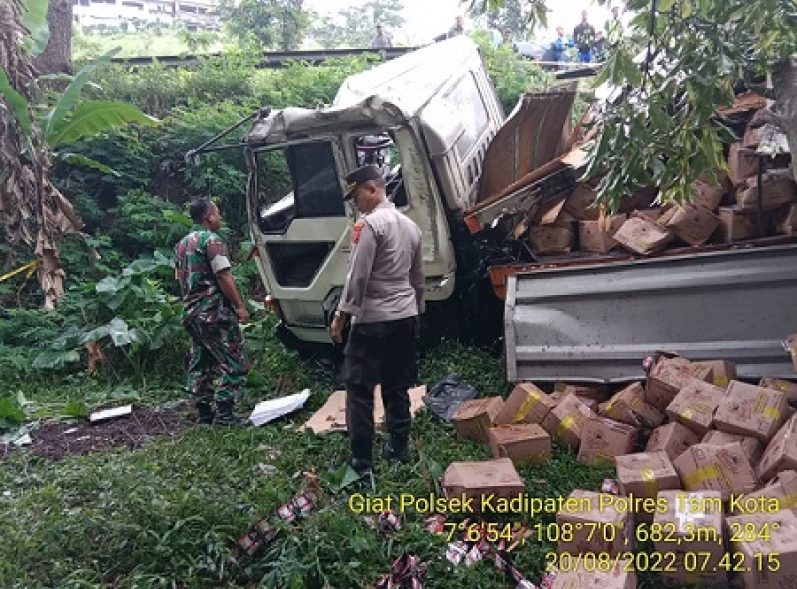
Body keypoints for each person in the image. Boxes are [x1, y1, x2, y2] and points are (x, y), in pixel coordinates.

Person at [330, 165, 425, 476]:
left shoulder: (369, 225)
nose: (354, 202)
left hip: (372, 320)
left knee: (359, 388)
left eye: (356, 194)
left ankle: (361, 462)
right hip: (405, 317)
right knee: (397, 385)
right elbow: (417, 279)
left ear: (372, 189)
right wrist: (416, 310)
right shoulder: (411, 227)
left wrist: (342, 316)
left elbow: (358, 276)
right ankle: (399, 447)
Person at [174, 199, 251, 426]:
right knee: (235, 361)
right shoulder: (212, 240)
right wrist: (240, 306)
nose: (219, 218)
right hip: (213, 312)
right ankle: (225, 413)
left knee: (201, 361)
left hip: (191, 313)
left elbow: (180, 279)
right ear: (209, 216)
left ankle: (204, 412)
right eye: (217, 213)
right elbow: (223, 276)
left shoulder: (180, 245)